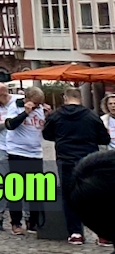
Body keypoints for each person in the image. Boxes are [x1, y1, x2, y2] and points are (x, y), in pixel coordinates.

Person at [43, 84, 111, 244]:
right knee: (95, 195)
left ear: (65, 98)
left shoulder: (55, 115)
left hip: (65, 159)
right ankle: (103, 234)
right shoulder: (92, 116)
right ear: (80, 98)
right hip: (89, 160)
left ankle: (75, 233)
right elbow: (104, 139)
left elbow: (47, 134)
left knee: (69, 196)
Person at [0, 83, 48, 234]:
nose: (37, 106)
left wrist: (48, 115)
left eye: (39, 104)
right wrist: (25, 113)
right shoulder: (15, 107)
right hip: (17, 152)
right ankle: (16, 223)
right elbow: (10, 125)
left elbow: (44, 130)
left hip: (35, 153)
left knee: (35, 190)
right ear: (27, 99)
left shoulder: (40, 110)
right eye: (35, 103)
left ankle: (33, 222)